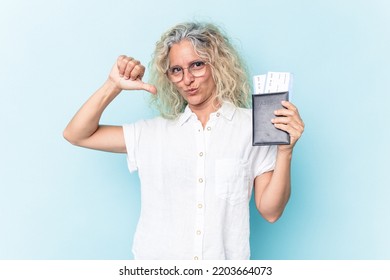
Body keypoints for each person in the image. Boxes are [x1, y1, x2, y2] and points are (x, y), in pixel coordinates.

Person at [63, 22, 304, 260]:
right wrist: (113, 85)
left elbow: (271, 211)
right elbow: (77, 134)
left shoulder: (251, 127)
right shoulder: (153, 133)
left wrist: (286, 152)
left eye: (197, 65)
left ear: (218, 65)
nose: (187, 79)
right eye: (176, 70)